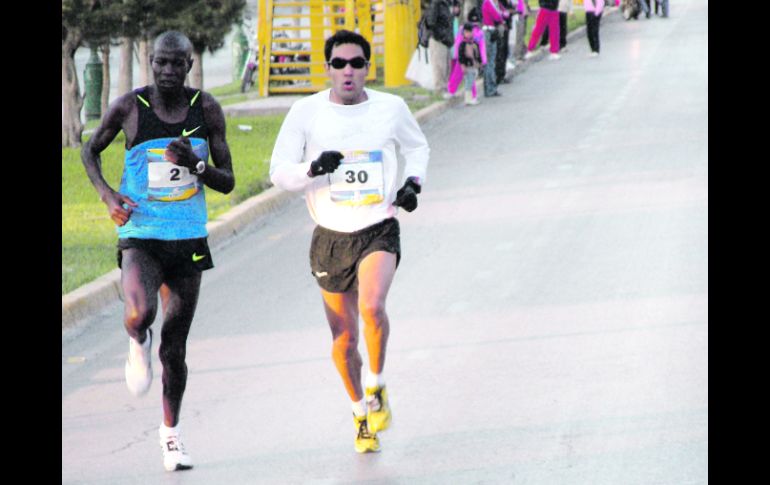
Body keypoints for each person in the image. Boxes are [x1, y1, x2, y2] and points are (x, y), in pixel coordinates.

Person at [81, 31, 236, 472]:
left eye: (176, 63)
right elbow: (89, 150)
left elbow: (228, 181)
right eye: (160, 63)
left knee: (175, 348)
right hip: (142, 233)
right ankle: (136, 340)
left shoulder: (206, 108)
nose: (167, 71)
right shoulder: (130, 107)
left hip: (187, 238)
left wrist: (196, 165)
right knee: (139, 313)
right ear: (150, 62)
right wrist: (108, 196)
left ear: (189, 65)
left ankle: (171, 435)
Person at [269, 30, 430, 454]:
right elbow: (279, 172)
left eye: (356, 63)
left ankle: (376, 386)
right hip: (330, 236)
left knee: (372, 306)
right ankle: (360, 413)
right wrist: (312, 168)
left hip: (378, 225)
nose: (348, 71)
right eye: (339, 63)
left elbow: (417, 148)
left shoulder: (390, 108)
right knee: (344, 340)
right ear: (328, 68)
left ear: (367, 68)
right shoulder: (306, 112)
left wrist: (413, 183)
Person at [447, 7, 487, 100]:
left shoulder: (477, 32)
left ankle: (469, 95)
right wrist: (457, 56)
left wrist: (482, 60)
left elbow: (481, 47)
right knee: (461, 76)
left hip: (469, 59)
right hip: (464, 58)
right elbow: (458, 43)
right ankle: (454, 91)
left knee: (468, 77)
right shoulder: (466, 30)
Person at [427, 0, 456, 98]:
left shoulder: (447, 3)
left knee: (447, 66)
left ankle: (445, 89)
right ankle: (439, 90)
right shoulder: (436, 3)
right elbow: (430, 22)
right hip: (438, 40)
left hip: (446, 40)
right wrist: (441, 35)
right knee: (439, 66)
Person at [481, 0, 508, 96]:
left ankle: (491, 87)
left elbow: (505, 13)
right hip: (488, 32)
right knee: (489, 62)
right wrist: (502, 16)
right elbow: (497, 16)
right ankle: (490, 88)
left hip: (492, 31)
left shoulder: (495, 3)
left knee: (491, 61)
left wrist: (502, 15)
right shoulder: (488, 2)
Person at [458, 22, 483, 105]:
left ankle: (470, 98)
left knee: (471, 82)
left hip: (474, 66)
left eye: (470, 31)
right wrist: (462, 65)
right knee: (468, 82)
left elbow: (478, 54)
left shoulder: (475, 43)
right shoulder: (462, 44)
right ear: (463, 33)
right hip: (467, 66)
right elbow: (461, 56)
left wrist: (480, 63)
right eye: (466, 32)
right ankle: (468, 99)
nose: (468, 34)